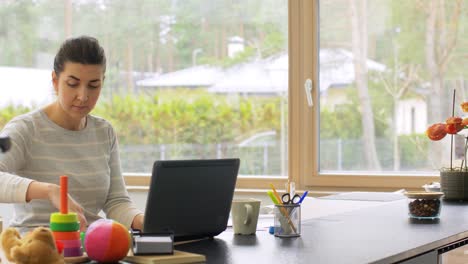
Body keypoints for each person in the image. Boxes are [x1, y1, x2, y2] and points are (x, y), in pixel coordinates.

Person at [0, 36, 144, 232]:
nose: (83, 96)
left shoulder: (104, 132)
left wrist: (145, 221)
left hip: (92, 248)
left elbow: (116, 201)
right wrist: (50, 190)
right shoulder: (26, 129)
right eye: (73, 84)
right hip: (38, 249)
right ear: (55, 81)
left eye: (93, 85)